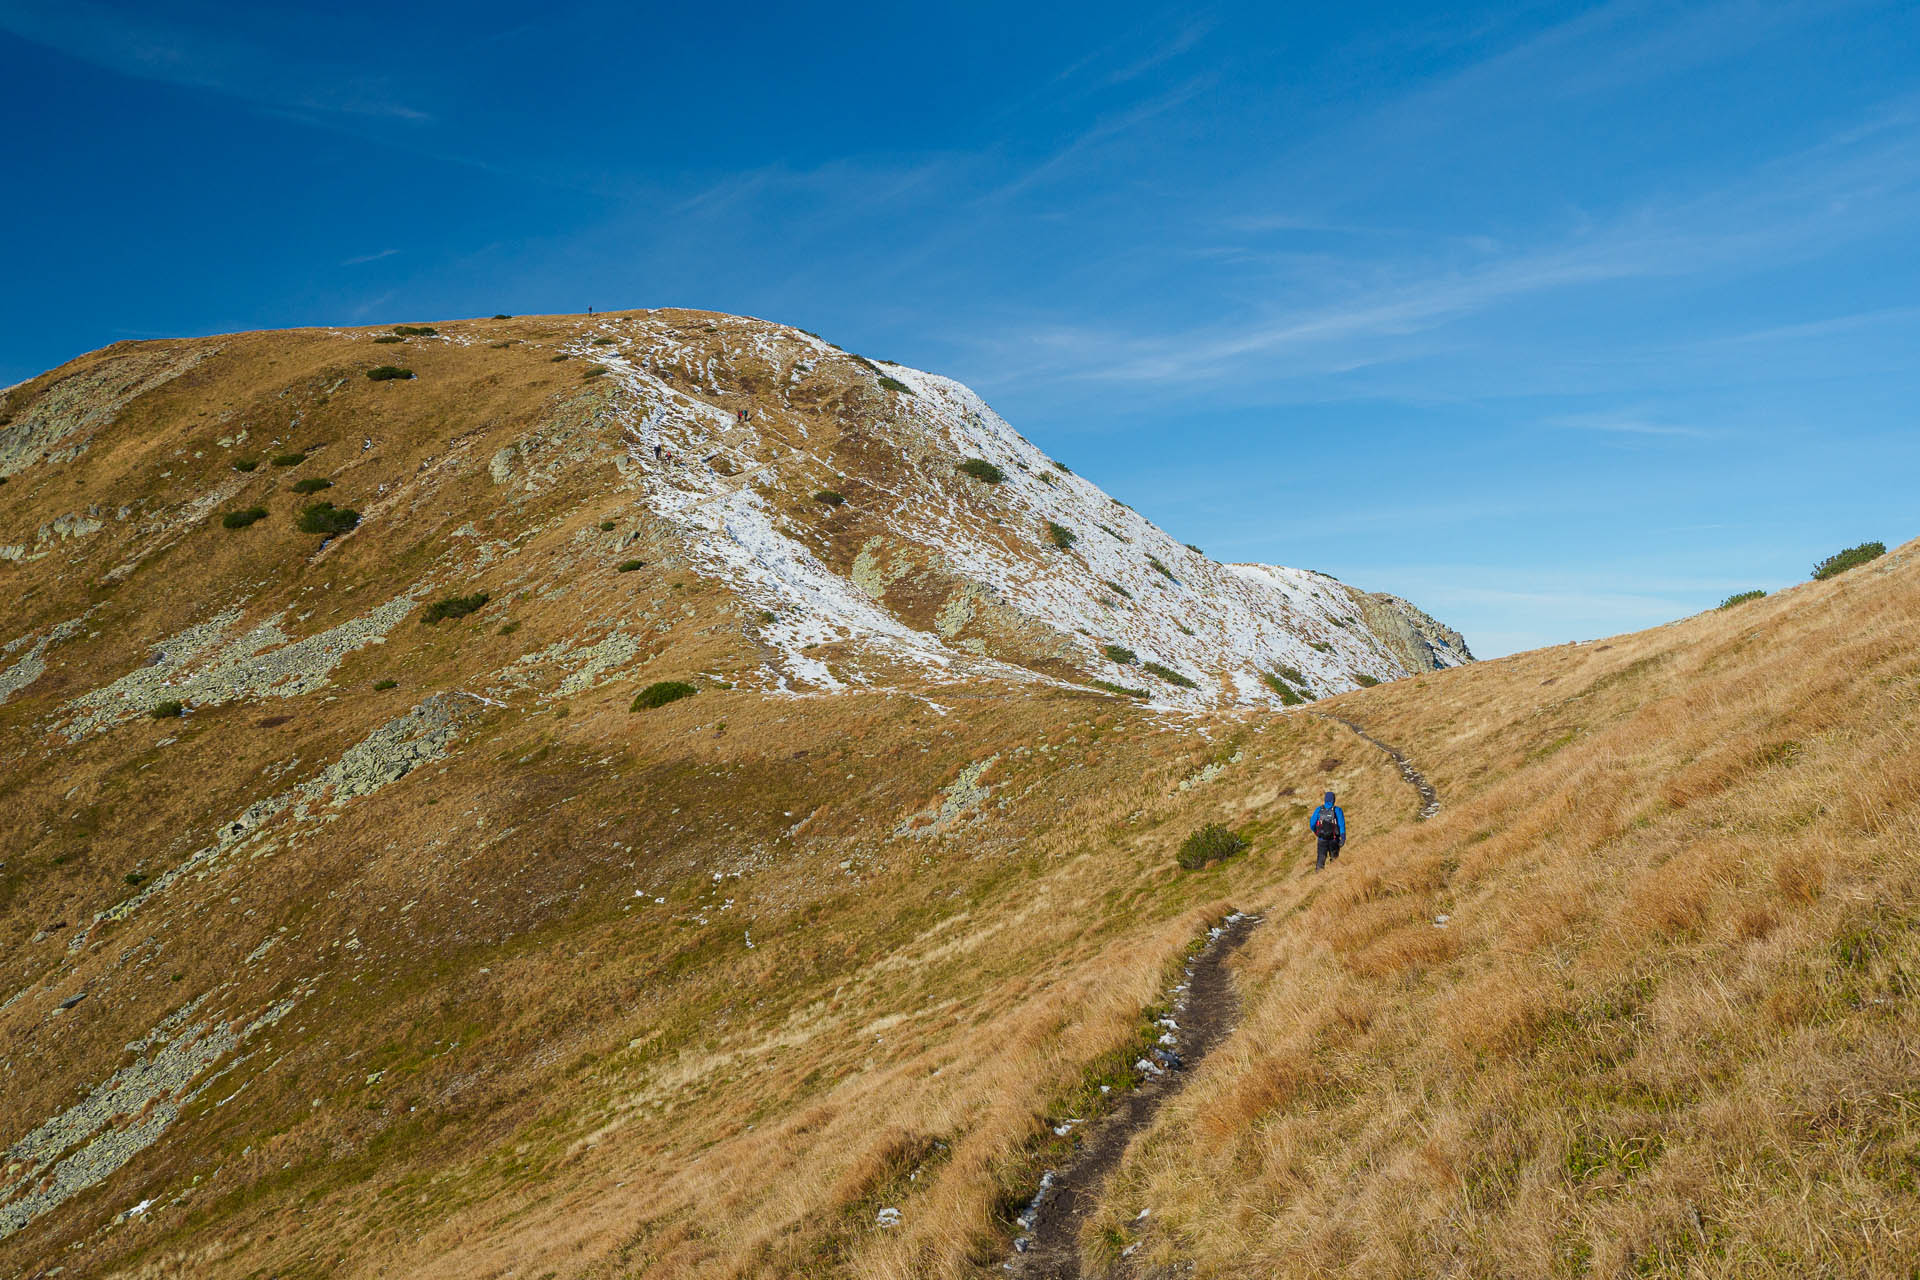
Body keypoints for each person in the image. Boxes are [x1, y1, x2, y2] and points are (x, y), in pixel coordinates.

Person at [1308, 791, 1345, 870]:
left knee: (1320, 860)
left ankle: (1318, 878)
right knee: (1334, 860)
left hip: (1322, 839)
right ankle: (1334, 876)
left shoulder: (1318, 809)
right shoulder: (1338, 810)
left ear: (1325, 799)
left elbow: (1312, 824)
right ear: (1333, 800)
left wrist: (1317, 832)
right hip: (1334, 839)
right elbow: (1341, 825)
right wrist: (1343, 838)